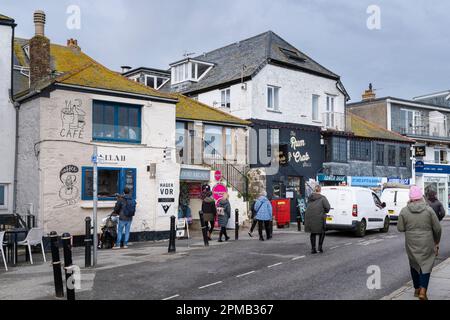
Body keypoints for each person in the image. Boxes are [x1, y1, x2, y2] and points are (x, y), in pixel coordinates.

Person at [398, 186, 442, 300]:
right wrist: (436, 242)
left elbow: (400, 228)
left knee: (414, 264)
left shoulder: (404, 210)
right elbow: (437, 228)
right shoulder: (429, 210)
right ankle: (423, 291)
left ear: (410, 198)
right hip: (427, 242)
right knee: (426, 265)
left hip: (411, 243)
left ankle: (417, 288)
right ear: (421, 197)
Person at [304, 185, 330, 254]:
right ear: (320, 190)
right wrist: (325, 211)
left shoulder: (310, 198)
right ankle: (320, 247)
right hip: (319, 217)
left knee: (313, 232)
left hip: (309, 217)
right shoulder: (323, 198)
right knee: (322, 232)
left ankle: (313, 249)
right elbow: (327, 207)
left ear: (314, 190)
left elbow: (308, 206)